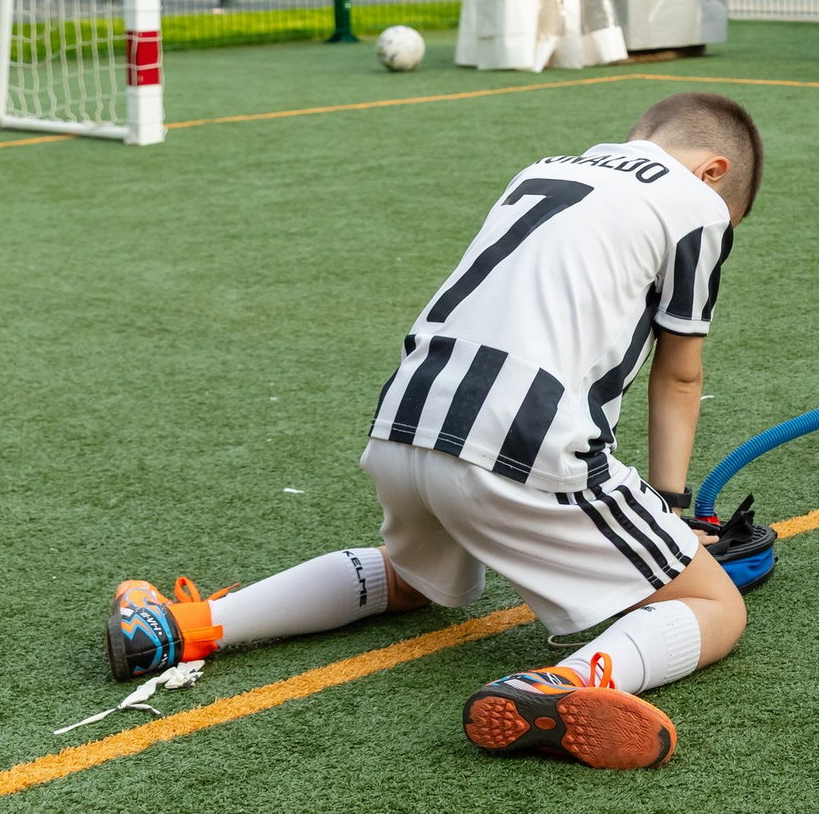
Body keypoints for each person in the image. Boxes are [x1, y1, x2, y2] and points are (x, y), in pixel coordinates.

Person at [100, 93, 764, 770]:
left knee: (412, 579)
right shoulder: (697, 205)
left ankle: (181, 625)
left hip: (409, 414)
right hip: (525, 436)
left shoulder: (545, 168)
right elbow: (679, 375)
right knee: (714, 602)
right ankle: (563, 684)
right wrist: (669, 505)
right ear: (712, 171)